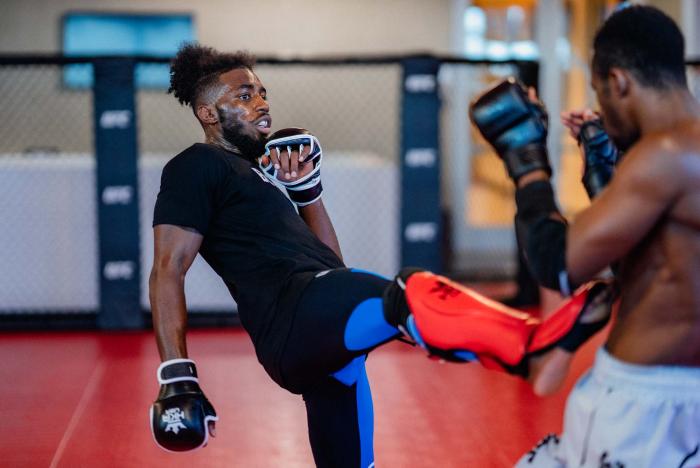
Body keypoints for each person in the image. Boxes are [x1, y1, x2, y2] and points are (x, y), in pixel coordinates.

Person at [148, 44, 612, 467]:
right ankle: (530, 348)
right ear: (208, 113)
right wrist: (176, 373)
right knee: (408, 294)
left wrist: (307, 193)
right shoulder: (196, 164)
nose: (262, 103)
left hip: (318, 337)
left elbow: (332, 269)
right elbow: (169, 269)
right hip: (292, 319)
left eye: (263, 92)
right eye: (245, 96)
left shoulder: (262, 175)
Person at [470, 5, 700, 466]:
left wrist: (526, 160)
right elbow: (651, 258)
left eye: (599, 91)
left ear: (619, 83)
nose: (601, 108)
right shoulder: (682, 153)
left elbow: (556, 262)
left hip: (640, 405)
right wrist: (603, 168)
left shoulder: (666, 154)